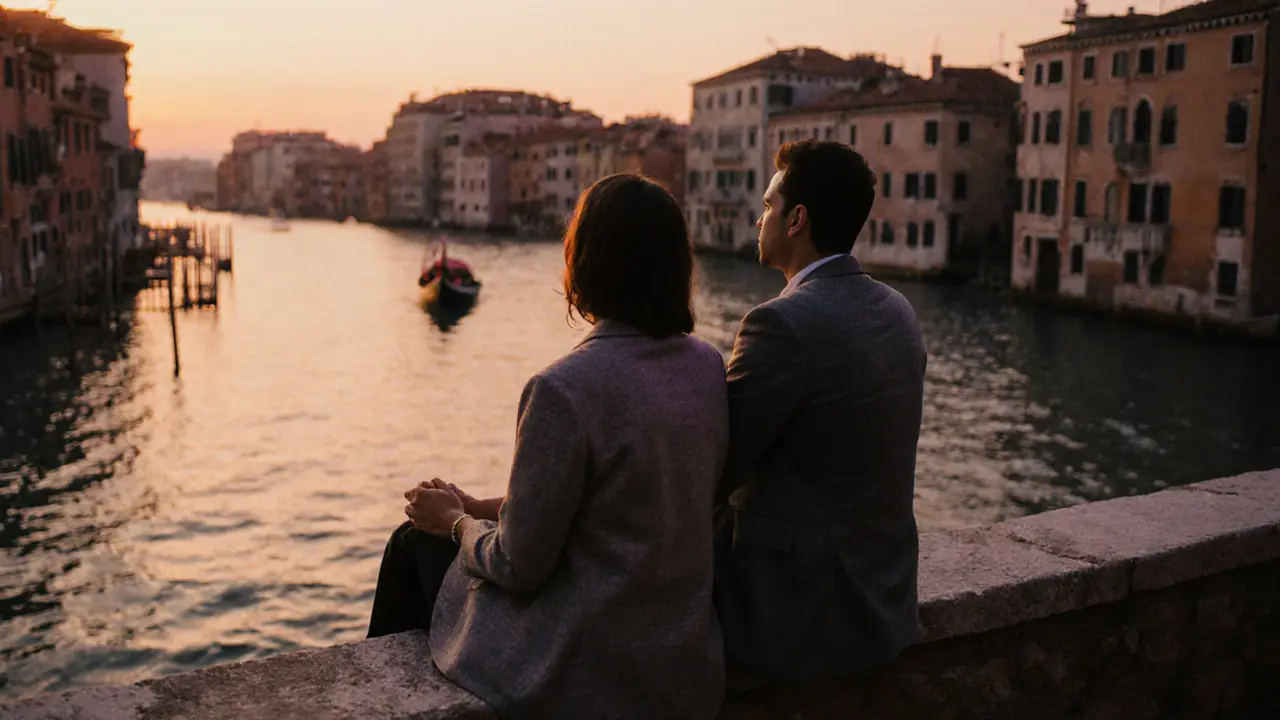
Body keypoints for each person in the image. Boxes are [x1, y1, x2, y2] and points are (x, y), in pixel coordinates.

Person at [368, 173, 728, 718]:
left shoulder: (562, 388)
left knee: (410, 544)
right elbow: (619, 505)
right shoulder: (705, 365)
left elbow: (519, 565)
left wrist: (455, 524)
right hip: (681, 652)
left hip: (595, 661)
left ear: (583, 261)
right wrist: (478, 506)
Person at [715, 140, 927, 682]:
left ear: (797, 220)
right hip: (885, 594)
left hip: (801, 610)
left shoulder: (781, 324)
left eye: (768, 205)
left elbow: (717, 467)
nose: (760, 216)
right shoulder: (898, 310)